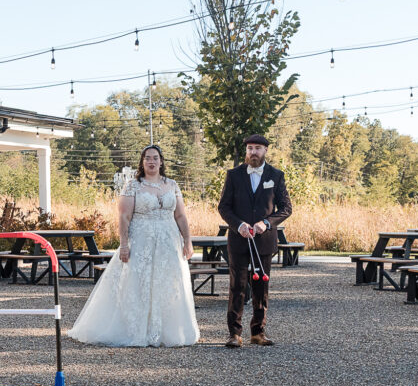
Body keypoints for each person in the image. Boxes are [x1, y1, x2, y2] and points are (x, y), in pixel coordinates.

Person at [68, 145, 199, 347]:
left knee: (167, 282)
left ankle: (168, 331)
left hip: (168, 240)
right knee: (139, 282)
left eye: (155, 158)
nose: (152, 162)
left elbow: (180, 215)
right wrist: (124, 245)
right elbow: (124, 216)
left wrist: (187, 241)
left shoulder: (172, 184)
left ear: (161, 161)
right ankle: (137, 329)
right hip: (142, 240)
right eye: (147, 158)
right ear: (142, 162)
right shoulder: (133, 186)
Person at [217, 135, 292, 348]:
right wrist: (238, 225)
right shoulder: (233, 175)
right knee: (237, 287)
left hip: (264, 240)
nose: (253, 152)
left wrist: (266, 223)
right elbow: (224, 207)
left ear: (266, 150)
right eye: (250, 148)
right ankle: (235, 334)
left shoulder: (276, 176)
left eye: (257, 148)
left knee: (261, 287)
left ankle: (258, 332)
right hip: (239, 239)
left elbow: (286, 208)